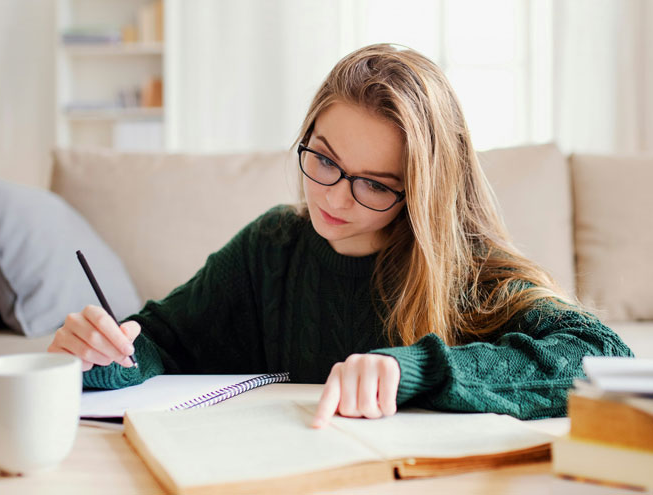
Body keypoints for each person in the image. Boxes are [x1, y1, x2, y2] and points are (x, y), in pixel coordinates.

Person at [48, 43, 632, 428]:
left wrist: (416, 370)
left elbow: (605, 357)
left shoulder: (469, 271)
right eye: (323, 160)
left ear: (421, 193)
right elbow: (162, 341)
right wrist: (101, 355)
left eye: (374, 185)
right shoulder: (270, 248)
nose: (331, 197)